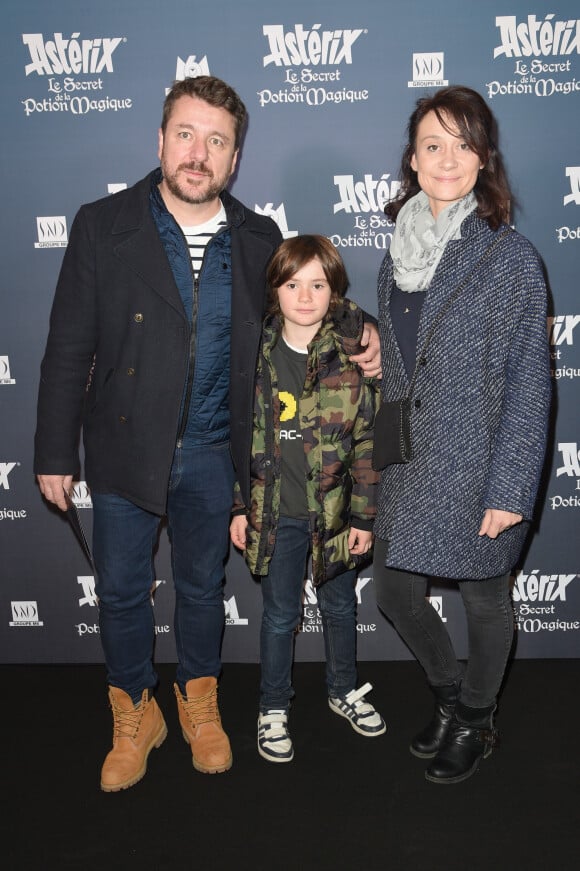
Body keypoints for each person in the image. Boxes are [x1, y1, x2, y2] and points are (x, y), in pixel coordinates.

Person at [34, 76, 380, 792]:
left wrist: (364, 328)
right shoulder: (103, 224)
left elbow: (310, 303)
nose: (199, 153)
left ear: (234, 158)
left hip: (216, 451)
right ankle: (135, 711)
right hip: (126, 446)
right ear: (160, 140)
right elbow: (68, 344)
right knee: (125, 591)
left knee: (199, 587)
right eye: (186, 134)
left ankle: (198, 703)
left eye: (216, 141)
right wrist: (53, 451)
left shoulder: (258, 237)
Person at [372, 86, 551, 784]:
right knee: (392, 592)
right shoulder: (395, 255)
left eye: (463, 144)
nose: (448, 159)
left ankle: (477, 717)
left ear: (485, 161)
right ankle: (451, 695)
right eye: (433, 145)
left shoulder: (512, 259)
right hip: (410, 462)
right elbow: (400, 360)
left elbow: (530, 383)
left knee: (483, 598)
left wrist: (511, 487)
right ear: (413, 161)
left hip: (479, 463)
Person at [230, 235, 386, 763]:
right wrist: (237, 507)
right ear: (274, 289)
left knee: (340, 608)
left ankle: (343, 690)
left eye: (317, 284)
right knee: (278, 616)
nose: (304, 295)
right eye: (292, 283)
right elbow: (238, 435)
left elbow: (368, 440)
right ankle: (273, 706)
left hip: (337, 516)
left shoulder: (353, 355)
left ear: (335, 291)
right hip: (276, 515)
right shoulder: (255, 354)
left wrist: (364, 514)